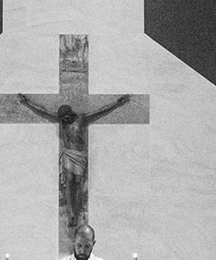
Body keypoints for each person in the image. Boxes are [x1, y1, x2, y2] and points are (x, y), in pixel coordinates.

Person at [17, 92, 131, 231]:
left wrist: (118, 103)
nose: (64, 121)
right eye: (62, 119)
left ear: (71, 114)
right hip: (69, 154)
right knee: (69, 181)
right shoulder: (61, 121)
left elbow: (101, 111)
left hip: (80, 155)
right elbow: (43, 112)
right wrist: (27, 102)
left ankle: (76, 213)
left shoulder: (82, 119)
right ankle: (71, 215)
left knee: (78, 182)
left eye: (65, 118)